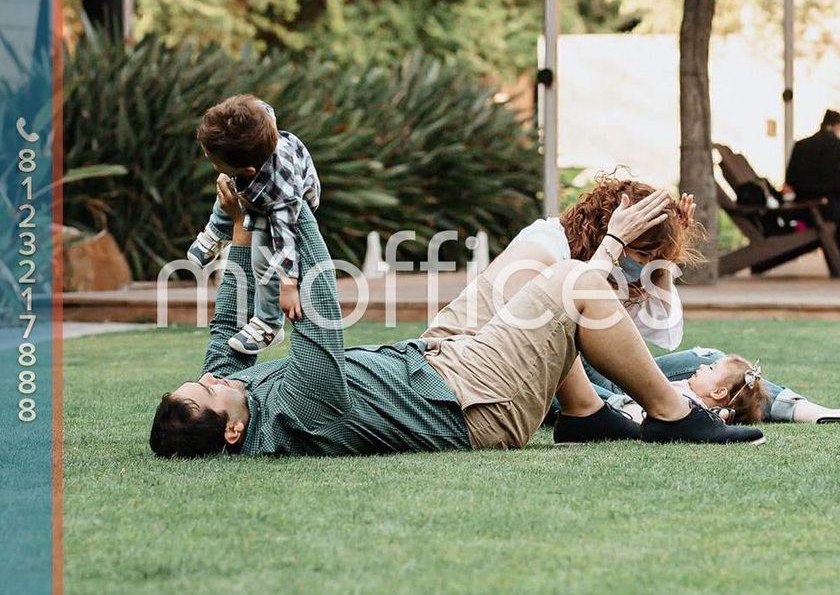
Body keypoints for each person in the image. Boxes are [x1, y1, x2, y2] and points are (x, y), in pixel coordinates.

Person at [149, 177, 764, 458]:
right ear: (234, 432)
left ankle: (584, 413)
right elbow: (319, 311)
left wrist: (239, 222)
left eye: (203, 378)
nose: (215, 377)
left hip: (434, 358)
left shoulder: (234, 388)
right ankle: (674, 416)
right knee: (573, 280)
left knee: (522, 266)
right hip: (475, 403)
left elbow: (227, 318)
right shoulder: (296, 409)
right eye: (210, 390)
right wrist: (287, 199)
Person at [514, 177, 840, 425]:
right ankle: (635, 412)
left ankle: (800, 409)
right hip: (557, 376)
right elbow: (540, 337)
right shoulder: (546, 243)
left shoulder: (628, 266)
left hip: (608, 373)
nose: (645, 266)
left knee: (711, 360)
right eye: (643, 254)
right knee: (564, 373)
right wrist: (612, 245)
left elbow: (663, 332)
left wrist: (665, 256)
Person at [187, 94, 321, 354]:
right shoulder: (261, 120)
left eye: (212, 160)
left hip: (285, 204)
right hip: (256, 178)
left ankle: (269, 324)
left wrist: (289, 285)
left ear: (249, 170)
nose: (206, 157)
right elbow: (255, 109)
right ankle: (218, 230)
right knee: (227, 184)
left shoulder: (280, 197)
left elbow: (286, 241)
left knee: (262, 261)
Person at [606, 354, 768, 426]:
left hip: (616, 407)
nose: (702, 366)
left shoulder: (692, 404)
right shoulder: (689, 387)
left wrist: (719, 415)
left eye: (711, 368)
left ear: (718, 392)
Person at [786, 109, 840, 247]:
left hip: (801, 209)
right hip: (830, 210)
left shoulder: (800, 145)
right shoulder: (837, 147)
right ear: (837, 126)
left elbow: (790, 181)